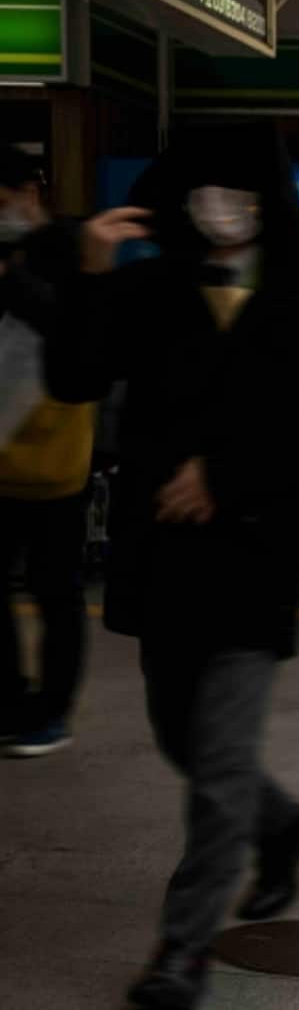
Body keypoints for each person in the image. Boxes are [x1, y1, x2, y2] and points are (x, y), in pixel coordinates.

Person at [44, 123, 299, 1010]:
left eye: (242, 195)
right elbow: (73, 379)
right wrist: (91, 269)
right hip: (162, 563)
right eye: (207, 194)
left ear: (271, 206)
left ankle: (181, 952)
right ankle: (285, 824)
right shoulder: (147, 291)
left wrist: (228, 475)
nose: (223, 211)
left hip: (252, 559)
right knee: (180, 738)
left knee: (219, 761)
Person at [0, 145, 88, 758]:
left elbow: (73, 324)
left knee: (56, 591)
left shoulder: (69, 246)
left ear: (29, 191)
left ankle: (51, 712)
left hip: (56, 454)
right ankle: (11, 702)